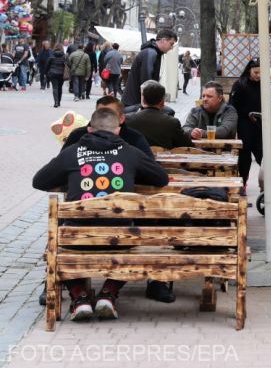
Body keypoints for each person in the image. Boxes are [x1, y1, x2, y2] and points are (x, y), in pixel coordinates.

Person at [32, 108, 169, 321]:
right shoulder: (130, 152)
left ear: (88, 129)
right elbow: (161, 178)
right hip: (119, 239)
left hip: (77, 239)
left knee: (61, 240)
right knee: (135, 239)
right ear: (118, 130)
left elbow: (39, 181)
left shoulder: (72, 152)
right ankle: (108, 293)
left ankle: (80, 296)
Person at [63, 95, 154, 159]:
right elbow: (61, 164)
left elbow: (150, 168)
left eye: (111, 115)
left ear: (121, 119)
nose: (105, 119)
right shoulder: (78, 135)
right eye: (101, 114)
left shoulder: (134, 138)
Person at [126, 80, 193, 149]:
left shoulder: (127, 119)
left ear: (143, 100)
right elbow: (187, 146)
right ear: (162, 101)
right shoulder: (172, 122)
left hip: (136, 159)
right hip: (162, 159)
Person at [122, 29, 178, 107]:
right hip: (135, 103)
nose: (171, 48)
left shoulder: (153, 52)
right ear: (163, 40)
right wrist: (150, 104)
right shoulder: (151, 53)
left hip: (136, 102)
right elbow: (147, 81)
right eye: (171, 44)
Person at [230, 58, 262, 185]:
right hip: (244, 123)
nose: (258, 76)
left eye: (261, 73)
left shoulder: (264, 84)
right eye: (256, 72)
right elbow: (233, 106)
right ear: (249, 71)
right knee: (245, 155)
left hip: (260, 123)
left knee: (262, 154)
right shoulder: (240, 84)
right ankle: (243, 182)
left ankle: (268, 184)